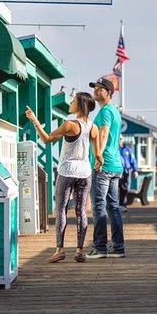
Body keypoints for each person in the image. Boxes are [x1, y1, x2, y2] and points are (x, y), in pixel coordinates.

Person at [25, 93, 101, 263]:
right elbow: (97, 155)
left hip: (67, 171)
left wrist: (35, 121)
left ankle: (59, 250)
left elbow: (46, 139)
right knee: (81, 211)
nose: (70, 104)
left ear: (80, 105)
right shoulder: (93, 128)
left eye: (73, 101)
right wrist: (100, 163)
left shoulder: (69, 125)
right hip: (84, 172)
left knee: (61, 210)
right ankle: (80, 251)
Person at [86, 77, 126, 259]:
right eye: (95, 88)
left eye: (100, 88)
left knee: (99, 206)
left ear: (109, 93)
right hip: (116, 165)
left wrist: (98, 156)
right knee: (113, 207)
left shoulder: (105, 112)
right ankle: (118, 247)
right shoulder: (115, 111)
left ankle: (100, 247)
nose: (96, 90)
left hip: (104, 165)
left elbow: (103, 133)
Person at [118, 135, 139, 210]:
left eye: (120, 139)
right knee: (115, 188)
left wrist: (135, 170)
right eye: (118, 138)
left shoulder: (127, 149)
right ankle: (117, 205)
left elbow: (133, 161)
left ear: (123, 139)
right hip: (116, 171)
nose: (119, 140)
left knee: (124, 188)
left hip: (126, 172)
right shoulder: (114, 149)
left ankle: (123, 204)